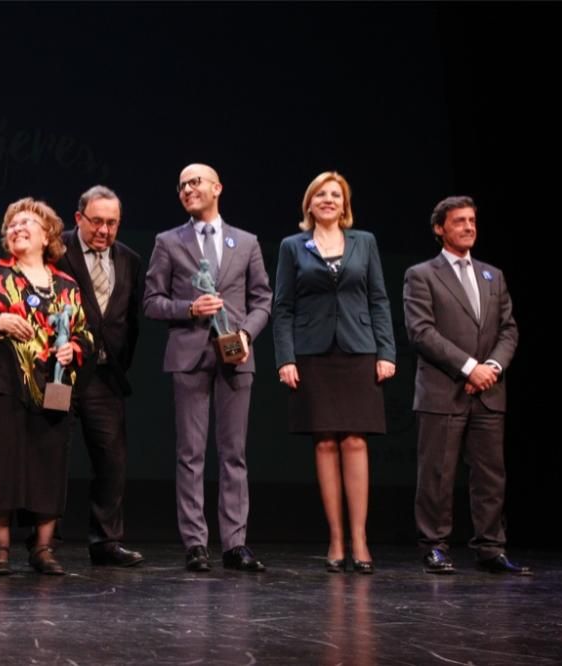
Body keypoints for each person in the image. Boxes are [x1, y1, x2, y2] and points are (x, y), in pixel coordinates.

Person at [144, 163, 272, 573]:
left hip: (236, 354)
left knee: (234, 453)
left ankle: (235, 544)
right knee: (190, 453)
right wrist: (188, 308)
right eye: (181, 185)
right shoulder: (168, 241)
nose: (187, 189)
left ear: (217, 187)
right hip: (189, 354)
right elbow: (151, 302)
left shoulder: (246, 242)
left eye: (195, 182)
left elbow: (263, 301)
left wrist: (248, 335)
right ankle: (196, 543)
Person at [272, 171, 396, 574]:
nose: (328, 200)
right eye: (321, 195)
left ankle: (359, 539)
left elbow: (378, 299)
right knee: (325, 443)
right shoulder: (293, 246)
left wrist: (386, 351)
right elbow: (283, 306)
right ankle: (336, 540)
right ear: (309, 204)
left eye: (335, 195)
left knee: (356, 441)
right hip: (312, 352)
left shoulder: (365, 242)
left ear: (344, 205)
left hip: (359, 350)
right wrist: (285, 358)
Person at [0, 197, 93, 575]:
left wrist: (74, 348)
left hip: (52, 386)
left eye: (26, 223)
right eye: (12, 224)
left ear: (47, 234)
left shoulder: (67, 284)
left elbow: (85, 333)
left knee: (48, 463)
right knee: (0, 462)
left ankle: (43, 548)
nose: (17, 228)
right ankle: (0, 550)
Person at [403, 196, 528, 575]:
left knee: (490, 474)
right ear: (440, 228)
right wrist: (469, 367)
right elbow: (421, 332)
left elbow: (508, 329)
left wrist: (491, 366)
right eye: (459, 221)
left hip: (489, 390)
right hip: (444, 389)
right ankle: (435, 545)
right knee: (438, 473)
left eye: (472, 220)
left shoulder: (493, 275)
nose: (469, 227)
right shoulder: (422, 274)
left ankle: (491, 547)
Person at [54, 185, 145, 567]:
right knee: (52, 456)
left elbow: (131, 322)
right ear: (79, 219)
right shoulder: (57, 250)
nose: (104, 231)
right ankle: (43, 541)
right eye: (97, 222)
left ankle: (106, 541)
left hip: (105, 378)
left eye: (112, 223)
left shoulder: (129, 260)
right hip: (61, 373)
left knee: (112, 461)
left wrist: (118, 363)